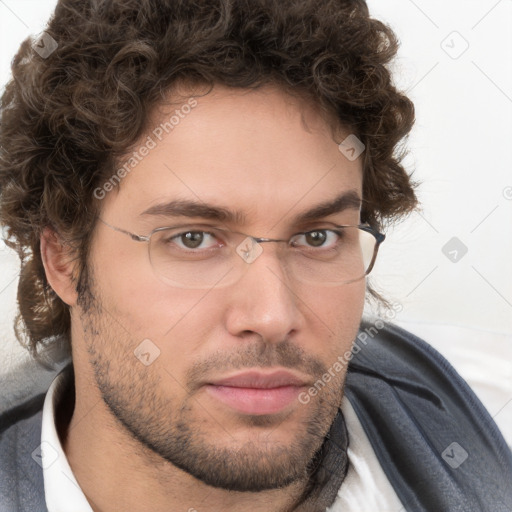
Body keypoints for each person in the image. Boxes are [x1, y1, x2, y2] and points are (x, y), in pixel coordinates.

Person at [0, 0, 510, 511]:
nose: (272, 316)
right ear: (63, 260)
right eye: (194, 239)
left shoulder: (489, 410)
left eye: (318, 238)